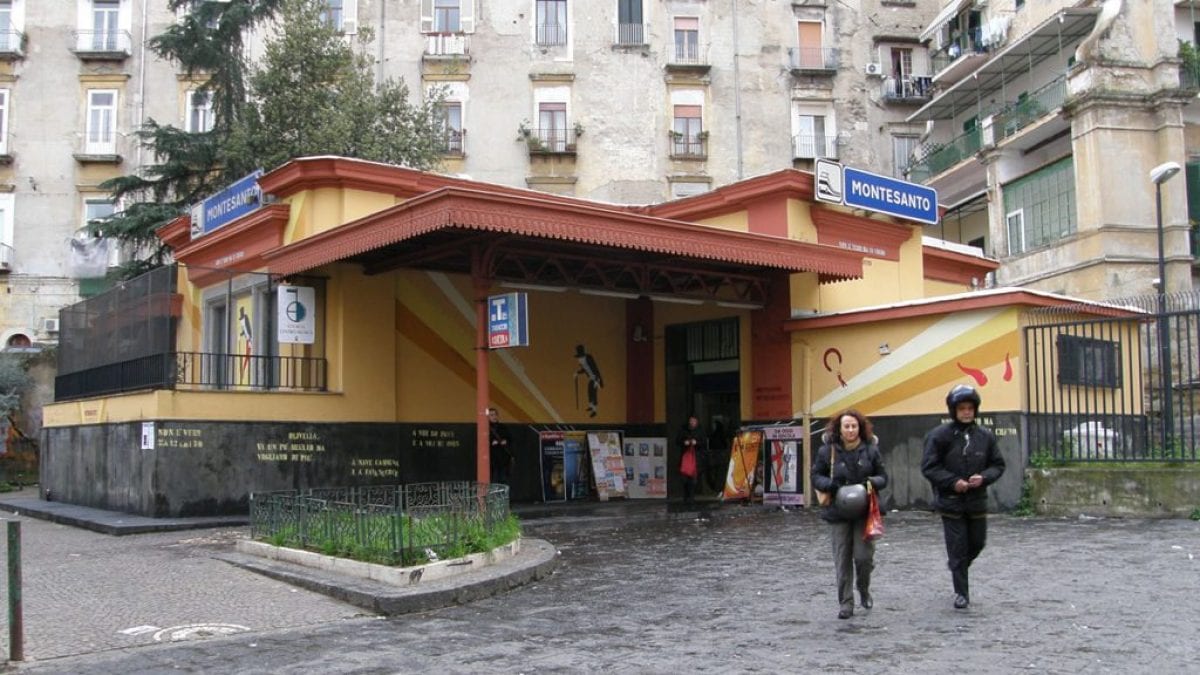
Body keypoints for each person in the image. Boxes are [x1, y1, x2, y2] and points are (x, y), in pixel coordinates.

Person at [921, 384, 1006, 610]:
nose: (966, 412)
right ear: (954, 410)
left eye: (970, 408)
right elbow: (929, 467)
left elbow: (998, 465)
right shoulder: (939, 436)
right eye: (962, 408)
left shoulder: (985, 437)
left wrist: (984, 478)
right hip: (951, 502)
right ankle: (961, 592)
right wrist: (952, 481)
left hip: (977, 501)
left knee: (977, 543)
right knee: (957, 547)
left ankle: (958, 567)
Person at [811, 409, 888, 620]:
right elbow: (815, 475)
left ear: (860, 428)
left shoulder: (871, 450)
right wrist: (830, 485)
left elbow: (884, 477)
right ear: (839, 428)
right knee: (842, 558)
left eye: (854, 426)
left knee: (864, 558)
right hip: (838, 511)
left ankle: (863, 588)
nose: (851, 430)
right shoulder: (827, 452)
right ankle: (846, 603)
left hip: (864, 511)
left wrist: (871, 483)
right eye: (847, 426)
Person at [677, 415, 707, 505]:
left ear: (697, 422)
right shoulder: (683, 430)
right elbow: (677, 440)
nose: (692, 423)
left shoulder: (700, 431)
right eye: (691, 421)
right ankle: (686, 496)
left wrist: (696, 443)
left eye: (694, 421)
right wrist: (684, 442)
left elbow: (704, 442)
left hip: (696, 457)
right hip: (686, 456)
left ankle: (691, 497)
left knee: (693, 478)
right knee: (685, 477)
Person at [487, 407, 514, 487]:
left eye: (495, 414)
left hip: (503, 458)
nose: (494, 417)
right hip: (492, 458)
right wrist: (492, 443)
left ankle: (503, 496)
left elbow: (510, 438)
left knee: (503, 479)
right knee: (493, 478)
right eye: (491, 415)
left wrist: (505, 441)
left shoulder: (503, 427)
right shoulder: (485, 428)